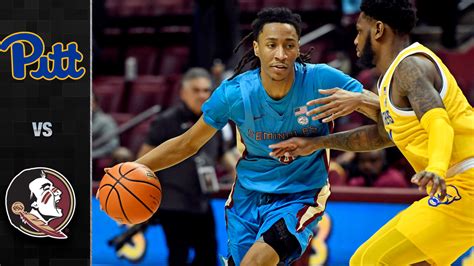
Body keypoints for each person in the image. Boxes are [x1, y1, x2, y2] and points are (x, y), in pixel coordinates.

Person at [132, 8, 379, 265]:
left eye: (289, 45)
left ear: (297, 49)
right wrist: (135, 168)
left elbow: (388, 116)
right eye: (271, 45)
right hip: (247, 198)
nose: (280, 55)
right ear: (257, 48)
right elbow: (188, 143)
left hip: (300, 195)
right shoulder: (235, 93)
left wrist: (360, 99)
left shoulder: (322, 79)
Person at [269, 0, 474, 264]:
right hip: (457, 187)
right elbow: (382, 136)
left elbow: (439, 123)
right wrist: (316, 143)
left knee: (370, 260)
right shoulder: (390, 79)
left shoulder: (409, 67)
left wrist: (435, 167)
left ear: (378, 30)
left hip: (466, 183)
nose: (355, 40)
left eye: (359, 30)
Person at [137, 68, 224, 266]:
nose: (202, 95)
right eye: (196, 90)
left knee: (209, 256)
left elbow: (224, 154)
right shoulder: (165, 121)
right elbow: (143, 159)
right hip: (173, 202)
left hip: (202, 201)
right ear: (182, 92)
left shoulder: (213, 121)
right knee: (179, 256)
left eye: (206, 90)